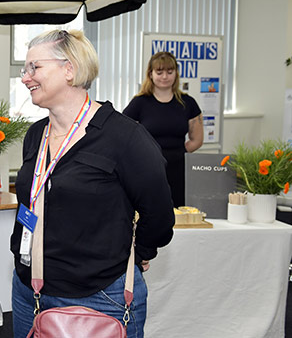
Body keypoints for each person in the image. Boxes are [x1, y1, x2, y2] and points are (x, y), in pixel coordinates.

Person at [12, 29, 175, 338]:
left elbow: (159, 215)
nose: (25, 77)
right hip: (28, 288)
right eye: (25, 68)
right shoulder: (36, 135)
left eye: (35, 67)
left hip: (98, 295)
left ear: (69, 69)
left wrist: (136, 251)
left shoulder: (125, 137)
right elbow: (32, 201)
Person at [123, 51, 203, 208]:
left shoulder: (188, 103)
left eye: (169, 71)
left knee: (177, 212)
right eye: (159, 72)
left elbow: (197, 140)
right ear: (150, 74)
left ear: (176, 74)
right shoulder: (140, 103)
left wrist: (177, 153)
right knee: (150, 211)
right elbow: (122, 134)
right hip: (148, 169)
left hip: (179, 169)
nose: (165, 76)